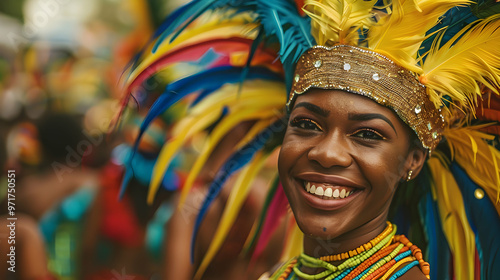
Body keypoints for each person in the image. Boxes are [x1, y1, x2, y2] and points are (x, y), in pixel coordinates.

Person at [118, 0, 500, 279]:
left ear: (412, 160)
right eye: (306, 125)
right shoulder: (283, 273)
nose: (327, 153)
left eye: (367, 134)